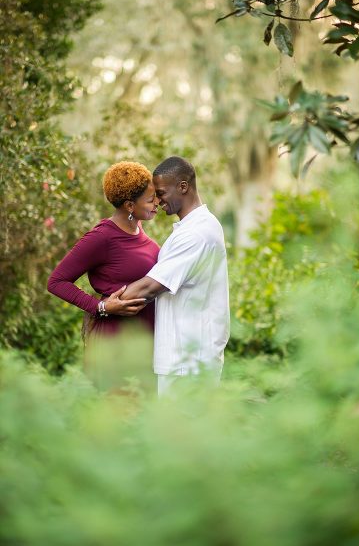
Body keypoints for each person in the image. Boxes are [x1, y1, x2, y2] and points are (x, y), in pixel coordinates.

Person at [115, 156, 230, 396]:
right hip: (185, 359)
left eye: (161, 192)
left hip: (188, 364)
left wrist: (103, 305)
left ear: (183, 186)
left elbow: (150, 288)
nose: (157, 201)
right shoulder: (196, 227)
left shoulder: (196, 234)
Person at [47, 161, 159, 389]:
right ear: (129, 205)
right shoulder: (102, 237)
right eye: (151, 199)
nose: (157, 202)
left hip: (144, 340)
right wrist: (102, 307)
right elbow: (56, 282)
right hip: (115, 341)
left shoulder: (138, 229)